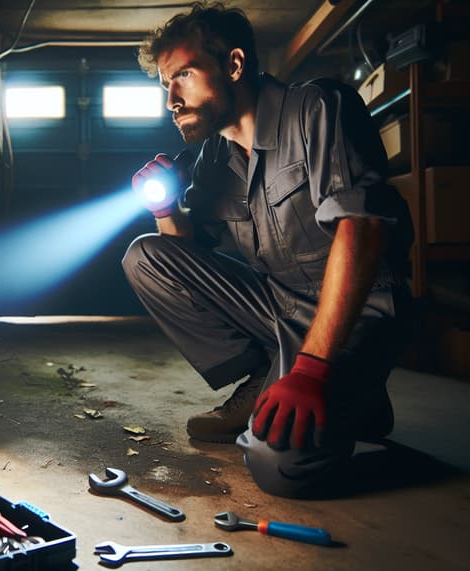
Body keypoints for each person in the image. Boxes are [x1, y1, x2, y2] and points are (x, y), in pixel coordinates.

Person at [122, 2, 414, 498]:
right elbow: (188, 265)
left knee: (279, 466)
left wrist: (313, 370)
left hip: (357, 315)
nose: (171, 98)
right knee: (145, 257)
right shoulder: (214, 158)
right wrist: (166, 207)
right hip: (278, 308)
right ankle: (266, 378)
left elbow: (360, 230)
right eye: (165, 84)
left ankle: (351, 391)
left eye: (184, 76)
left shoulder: (318, 109)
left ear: (234, 65)